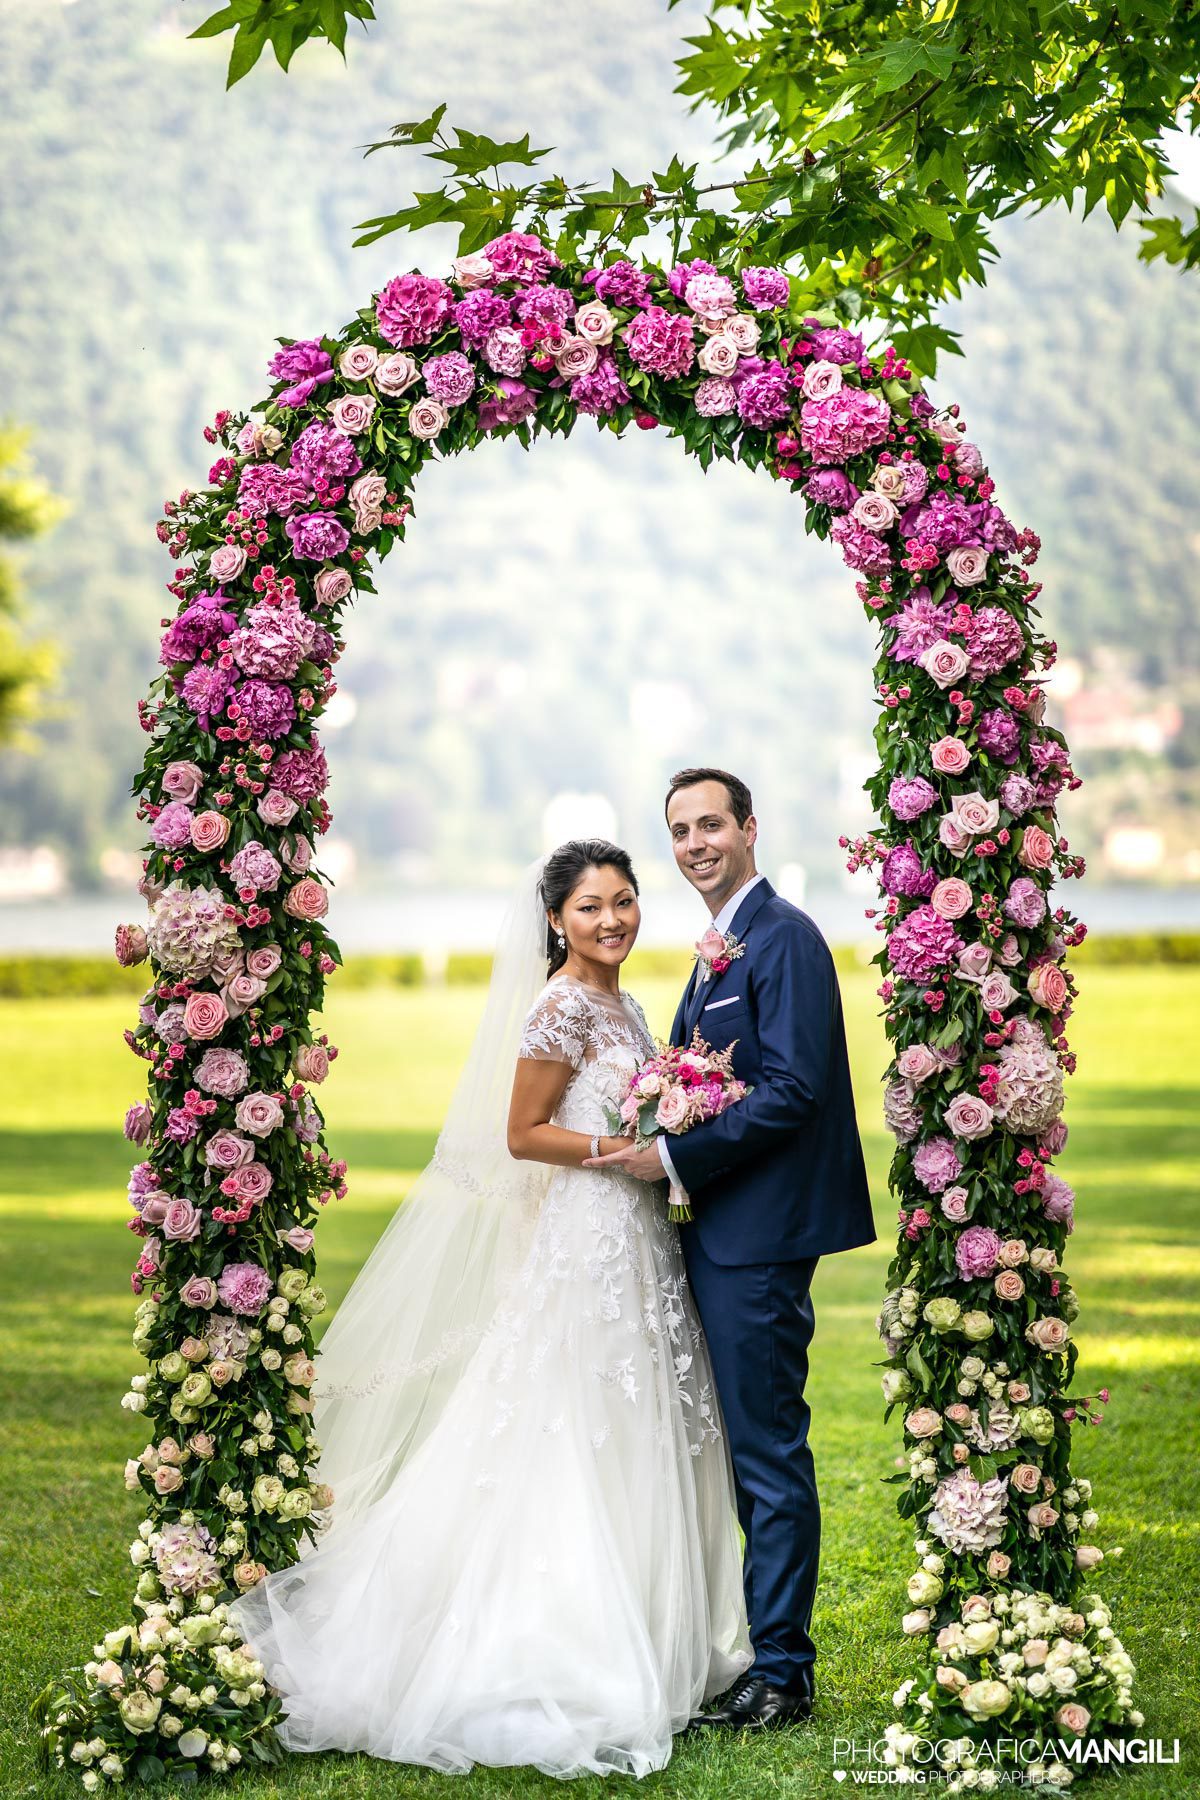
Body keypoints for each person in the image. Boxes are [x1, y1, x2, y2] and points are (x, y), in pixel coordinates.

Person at [228, 839, 751, 1777]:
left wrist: (667, 1126)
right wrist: (618, 1155)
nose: (614, 919)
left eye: (625, 901)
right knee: (571, 1425)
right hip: (590, 1236)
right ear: (556, 920)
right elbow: (522, 1134)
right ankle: (555, 1646)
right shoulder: (557, 1004)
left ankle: (651, 1627)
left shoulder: (625, 1004)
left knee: (634, 1424)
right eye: (592, 906)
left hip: (634, 1237)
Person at [588, 769, 876, 1728]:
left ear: (752, 826)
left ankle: (783, 1675)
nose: (695, 842)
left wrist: (671, 1150)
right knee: (746, 1452)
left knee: (766, 1454)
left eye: (712, 823)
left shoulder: (782, 937)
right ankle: (757, 1651)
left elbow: (793, 1090)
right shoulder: (725, 946)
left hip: (757, 1241)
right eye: (679, 830)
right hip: (721, 1230)